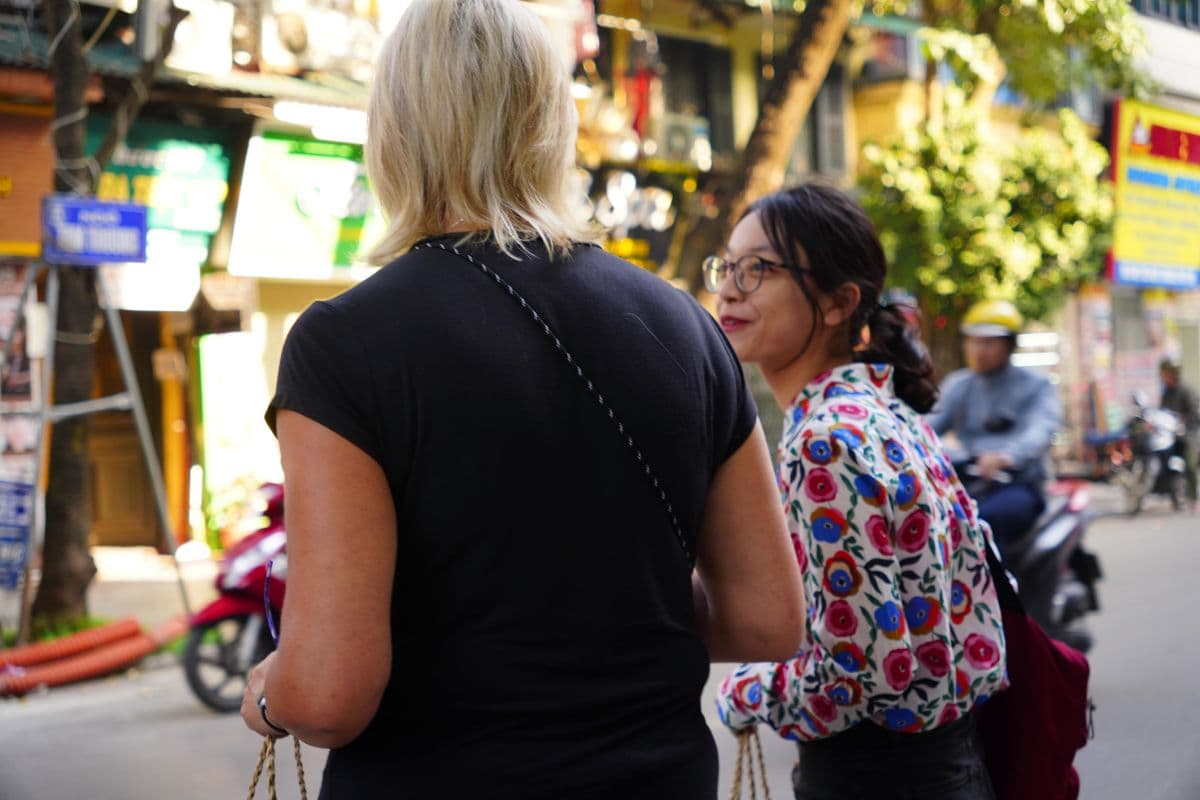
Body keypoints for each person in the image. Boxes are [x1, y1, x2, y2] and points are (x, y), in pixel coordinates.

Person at [238, 1, 806, 798]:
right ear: (551, 123)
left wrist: (270, 694)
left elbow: (328, 697)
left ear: (394, 131)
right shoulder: (683, 324)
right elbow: (766, 618)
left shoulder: (346, 342)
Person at [710, 183, 1006, 799]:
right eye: (728, 267)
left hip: (879, 779)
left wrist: (747, 692)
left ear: (839, 302)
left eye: (758, 269)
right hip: (945, 767)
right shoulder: (883, 412)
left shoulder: (825, 441)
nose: (731, 289)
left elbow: (859, 674)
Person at [925, 300, 1062, 551]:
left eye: (989, 343)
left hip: (1019, 485)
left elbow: (1042, 429)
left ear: (1009, 345)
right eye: (973, 341)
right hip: (966, 482)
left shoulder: (1036, 385)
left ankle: (997, 578)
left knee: (982, 525)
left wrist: (1006, 457)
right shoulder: (959, 385)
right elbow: (926, 429)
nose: (979, 350)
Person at [1159, 357, 1199, 508]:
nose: (1165, 377)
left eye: (1167, 374)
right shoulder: (1166, 393)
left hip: (1188, 432)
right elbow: (1162, 412)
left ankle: (1193, 497)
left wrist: (1184, 420)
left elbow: (1195, 412)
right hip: (1170, 433)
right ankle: (1171, 493)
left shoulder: (1186, 390)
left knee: (1189, 463)